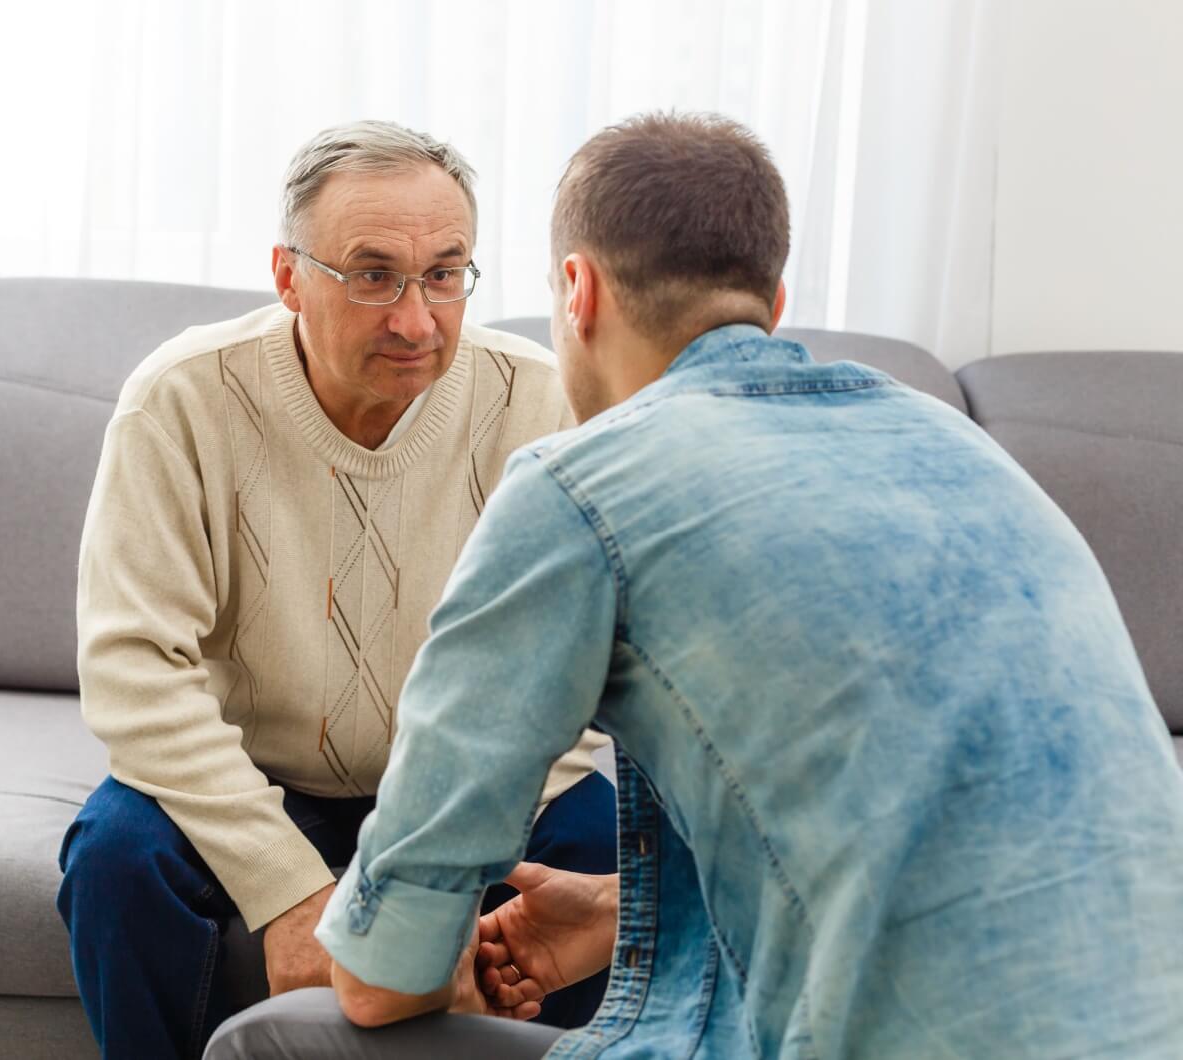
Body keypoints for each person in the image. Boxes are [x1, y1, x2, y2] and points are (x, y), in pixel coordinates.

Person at [204, 111, 1183, 1059]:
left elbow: (383, 979)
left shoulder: (582, 488)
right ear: (774, 303)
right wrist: (618, 908)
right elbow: (958, 840)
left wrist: (422, 966)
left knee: (268, 1043)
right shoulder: (960, 449)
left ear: (576, 291)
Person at [57, 120, 615, 1060]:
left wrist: (443, 865)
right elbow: (134, 671)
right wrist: (290, 894)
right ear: (288, 277)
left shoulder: (541, 402)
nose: (416, 317)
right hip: (256, 776)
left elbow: (572, 676)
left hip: (460, 787)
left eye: (445, 272)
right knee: (116, 857)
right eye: (372, 275)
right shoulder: (180, 400)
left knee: (607, 849)